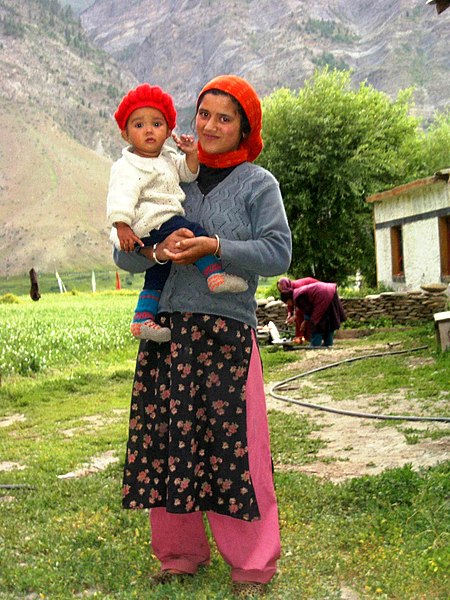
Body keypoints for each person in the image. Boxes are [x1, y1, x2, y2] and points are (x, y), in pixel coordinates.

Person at [115, 75, 292, 596]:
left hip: (227, 333)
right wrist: (155, 253)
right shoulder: (170, 175)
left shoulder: (259, 184)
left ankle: (253, 565)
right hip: (170, 335)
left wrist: (216, 244)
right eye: (204, 114)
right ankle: (179, 555)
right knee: (171, 446)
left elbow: (278, 252)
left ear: (245, 128)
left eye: (225, 118)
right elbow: (121, 254)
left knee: (238, 450)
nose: (210, 126)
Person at [107, 83, 247, 342]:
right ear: (125, 135)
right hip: (150, 222)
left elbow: (187, 173)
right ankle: (214, 275)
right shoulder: (126, 166)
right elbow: (119, 196)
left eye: (157, 124)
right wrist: (122, 226)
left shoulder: (167, 157)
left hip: (156, 229)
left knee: (158, 271)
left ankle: (142, 319)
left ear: (169, 131)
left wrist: (192, 153)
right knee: (192, 232)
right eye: (138, 125)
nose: (148, 130)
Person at [278, 278, 346, 347]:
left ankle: (315, 345)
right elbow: (308, 309)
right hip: (331, 291)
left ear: (289, 299)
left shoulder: (298, 297)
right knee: (328, 322)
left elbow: (308, 310)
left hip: (323, 296)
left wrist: (305, 321)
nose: (288, 305)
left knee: (317, 323)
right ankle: (328, 344)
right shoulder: (297, 293)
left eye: (287, 302)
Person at [277, 276, 318, 343]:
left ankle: (307, 339)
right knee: (298, 317)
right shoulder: (289, 291)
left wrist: (295, 316)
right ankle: (300, 338)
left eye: (283, 289)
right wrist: (289, 314)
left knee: (304, 318)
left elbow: (302, 305)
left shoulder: (297, 288)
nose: (282, 291)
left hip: (314, 295)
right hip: (304, 302)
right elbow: (289, 302)